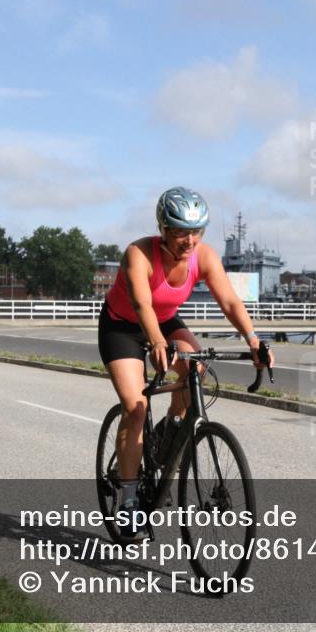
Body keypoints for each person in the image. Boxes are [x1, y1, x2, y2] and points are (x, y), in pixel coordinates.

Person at [98, 186, 273, 539]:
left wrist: (253, 340)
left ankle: (169, 429)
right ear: (163, 229)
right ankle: (129, 503)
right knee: (135, 406)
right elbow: (142, 306)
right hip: (122, 326)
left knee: (198, 370)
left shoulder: (204, 257)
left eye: (196, 231)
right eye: (179, 232)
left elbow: (230, 302)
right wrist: (157, 343)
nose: (189, 240)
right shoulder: (138, 254)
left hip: (165, 321)